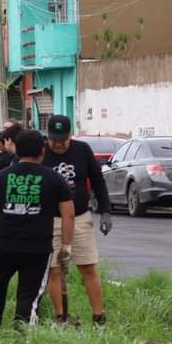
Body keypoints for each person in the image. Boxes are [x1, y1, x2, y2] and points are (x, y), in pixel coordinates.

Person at [0, 129, 74, 332]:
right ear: (42, 151)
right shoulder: (55, 179)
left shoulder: (0, 178)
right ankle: (22, 332)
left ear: (16, 150)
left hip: (4, 244)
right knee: (29, 293)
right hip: (38, 247)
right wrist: (66, 245)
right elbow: (69, 215)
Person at [41, 115, 113, 326]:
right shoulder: (42, 152)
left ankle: (99, 317)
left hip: (80, 218)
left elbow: (98, 181)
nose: (58, 144)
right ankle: (61, 317)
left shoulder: (82, 150)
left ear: (70, 135)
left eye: (63, 140)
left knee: (88, 267)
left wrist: (106, 212)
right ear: (48, 137)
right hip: (51, 220)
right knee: (55, 269)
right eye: (54, 140)